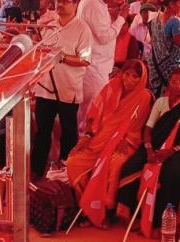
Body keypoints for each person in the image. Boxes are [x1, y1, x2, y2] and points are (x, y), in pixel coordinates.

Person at [66, 60, 153, 223]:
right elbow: (94, 112)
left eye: (135, 76)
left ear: (141, 79)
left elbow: (137, 128)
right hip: (99, 140)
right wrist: (88, 135)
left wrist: (125, 139)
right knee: (73, 162)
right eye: (127, 74)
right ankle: (87, 206)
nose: (129, 79)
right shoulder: (111, 87)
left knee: (115, 163)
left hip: (125, 143)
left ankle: (107, 211)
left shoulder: (144, 97)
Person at [116, 68, 180, 232]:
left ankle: (159, 222)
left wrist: (172, 150)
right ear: (169, 83)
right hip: (153, 144)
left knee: (170, 173)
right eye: (173, 82)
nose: (176, 86)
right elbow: (148, 129)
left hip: (177, 150)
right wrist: (148, 150)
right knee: (129, 166)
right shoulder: (161, 102)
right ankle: (130, 213)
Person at [31, 0, 93, 179]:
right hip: (45, 88)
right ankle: (36, 170)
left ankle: (67, 170)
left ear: (75, 4)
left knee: (69, 131)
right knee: (42, 131)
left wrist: (62, 57)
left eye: (65, 2)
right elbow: (39, 52)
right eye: (58, 1)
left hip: (68, 89)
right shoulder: (49, 27)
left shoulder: (82, 29)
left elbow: (85, 60)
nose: (60, 5)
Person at [77, 0, 128, 124]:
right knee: (91, 112)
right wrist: (121, 18)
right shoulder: (93, 3)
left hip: (98, 64)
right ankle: (83, 144)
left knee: (90, 111)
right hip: (93, 66)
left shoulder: (98, 1)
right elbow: (104, 37)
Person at [144, 0, 180, 96]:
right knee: (166, 98)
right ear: (172, 4)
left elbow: (155, 41)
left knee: (154, 95)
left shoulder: (154, 20)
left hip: (154, 65)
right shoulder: (174, 22)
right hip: (168, 68)